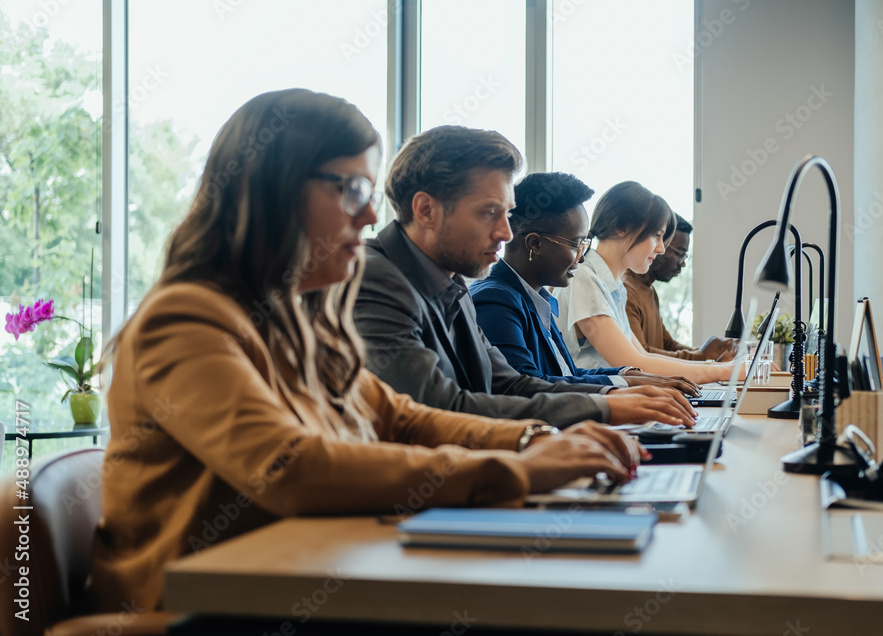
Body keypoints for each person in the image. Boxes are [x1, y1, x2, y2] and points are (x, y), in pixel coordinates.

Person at [90, 90, 647, 612]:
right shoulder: (185, 319)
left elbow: (400, 417)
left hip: (297, 578)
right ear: (276, 191)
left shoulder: (302, 318)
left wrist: (534, 441)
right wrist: (514, 470)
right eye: (352, 190)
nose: (371, 215)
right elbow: (288, 466)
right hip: (199, 609)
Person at [354, 126, 696, 427]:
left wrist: (610, 398)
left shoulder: (454, 284)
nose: (506, 233)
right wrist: (602, 408)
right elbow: (439, 409)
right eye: (490, 212)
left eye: (506, 213)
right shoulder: (375, 280)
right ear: (425, 210)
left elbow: (510, 384)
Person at [470, 171, 700, 395]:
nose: (581, 257)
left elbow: (565, 373)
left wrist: (627, 375)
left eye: (585, 245)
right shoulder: (496, 300)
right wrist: (619, 388)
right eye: (576, 245)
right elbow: (526, 387)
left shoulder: (536, 298)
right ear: (535, 244)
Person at [553, 181, 734, 385]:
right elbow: (634, 364)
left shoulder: (614, 288)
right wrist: (723, 371)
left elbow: (644, 358)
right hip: (592, 406)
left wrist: (720, 367)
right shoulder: (585, 280)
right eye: (657, 235)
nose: (661, 249)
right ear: (623, 228)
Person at [625, 214, 737, 361]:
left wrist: (715, 354)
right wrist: (703, 356)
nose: (682, 263)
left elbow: (668, 345)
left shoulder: (649, 290)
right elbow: (641, 355)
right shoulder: (626, 292)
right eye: (679, 254)